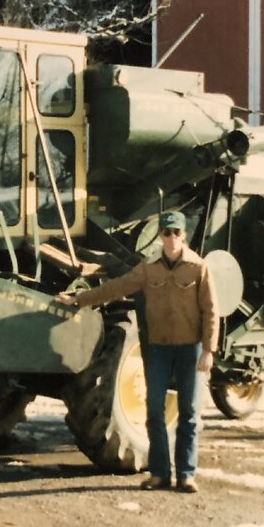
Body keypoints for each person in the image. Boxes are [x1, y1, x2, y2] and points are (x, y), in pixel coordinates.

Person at [56, 211, 219, 493]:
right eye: (166, 233)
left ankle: (186, 474)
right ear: (160, 236)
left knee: (189, 414)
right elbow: (115, 288)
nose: (171, 238)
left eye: (176, 233)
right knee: (154, 413)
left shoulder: (198, 268)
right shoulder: (149, 267)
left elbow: (211, 311)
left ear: (184, 235)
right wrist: (79, 300)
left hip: (189, 350)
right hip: (157, 350)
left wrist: (208, 350)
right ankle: (159, 474)